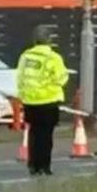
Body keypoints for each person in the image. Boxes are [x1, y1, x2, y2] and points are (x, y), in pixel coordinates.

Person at [16, 25, 69, 176]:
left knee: (33, 133)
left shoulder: (25, 56)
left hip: (30, 101)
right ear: (49, 40)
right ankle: (44, 166)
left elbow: (20, 77)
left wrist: (22, 94)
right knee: (46, 136)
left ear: (34, 40)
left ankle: (33, 165)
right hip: (48, 101)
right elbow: (62, 78)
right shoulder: (53, 58)